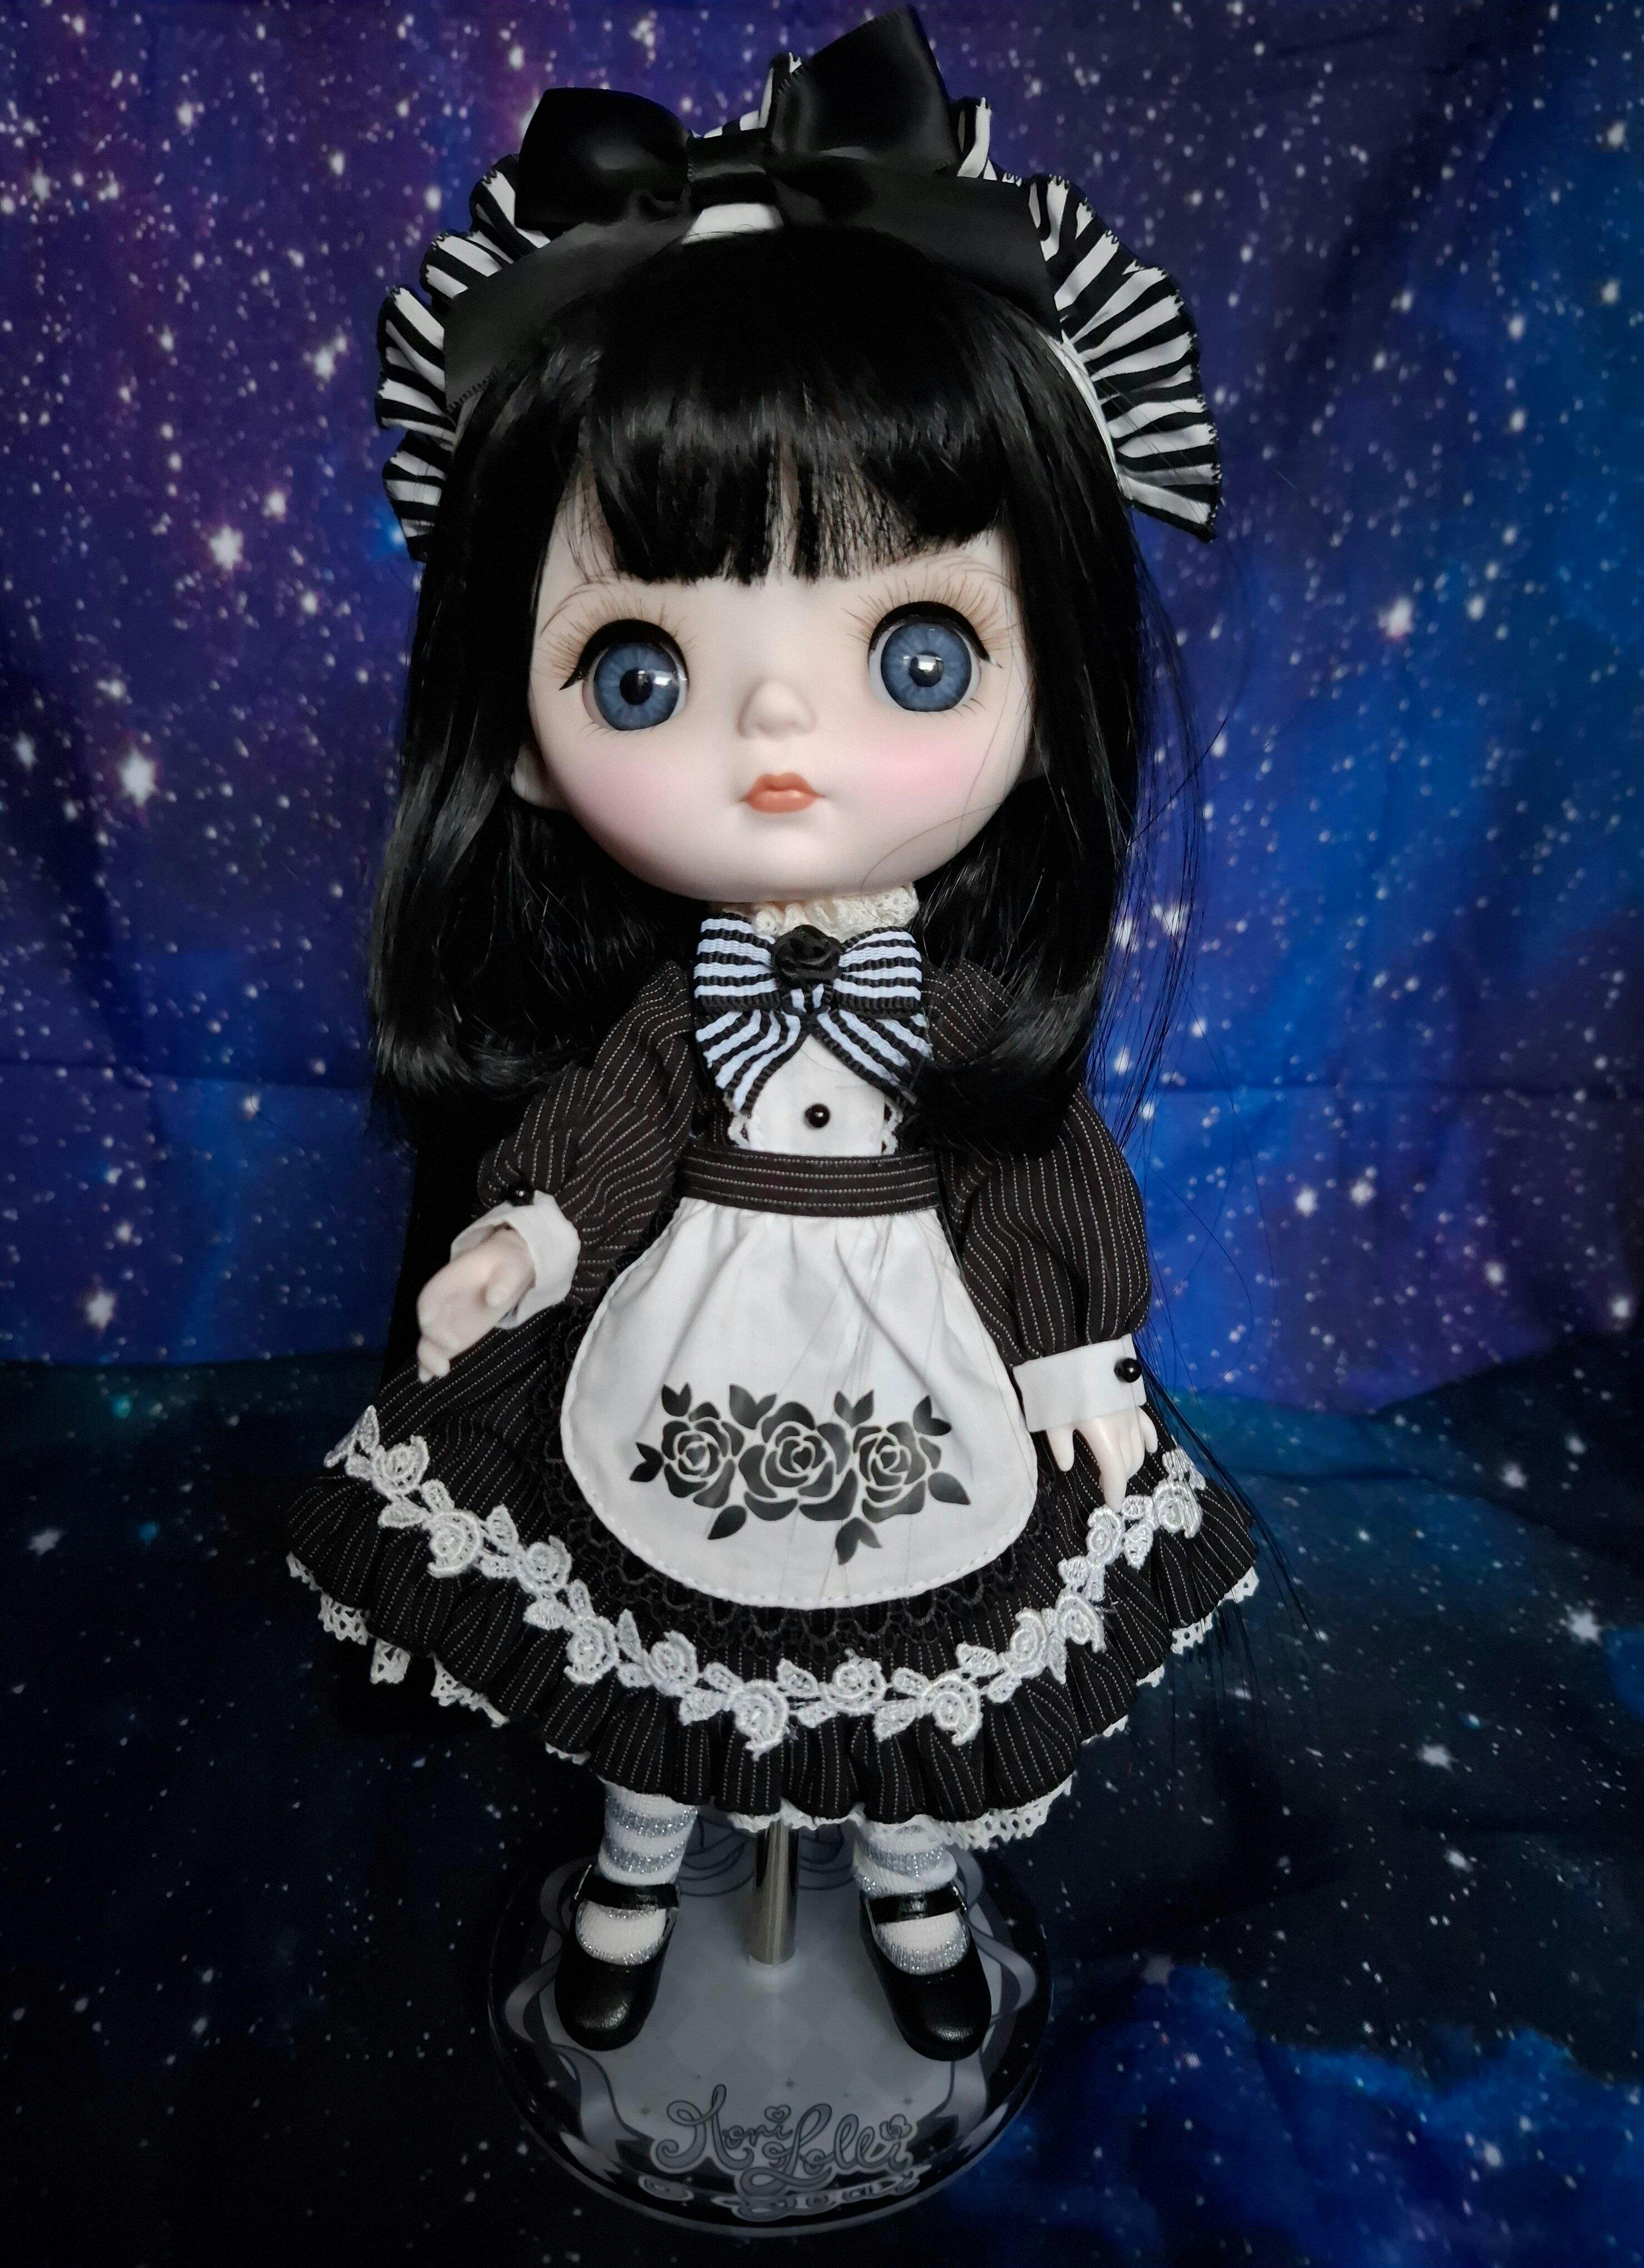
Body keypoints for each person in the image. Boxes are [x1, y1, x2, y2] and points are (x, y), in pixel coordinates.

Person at [286, 8, 1254, 2063]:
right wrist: (524, 1239)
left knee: (903, 1654)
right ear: (519, 739)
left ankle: (910, 1891)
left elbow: (1035, 1172)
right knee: (663, 1643)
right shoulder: (672, 1007)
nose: (782, 733)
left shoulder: (958, 1014)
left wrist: (1074, 1352)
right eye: (640, 670)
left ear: (1047, 684)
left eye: (919, 652)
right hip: (685, 1336)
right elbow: (617, 1123)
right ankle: (634, 1883)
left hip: (913, 1358)